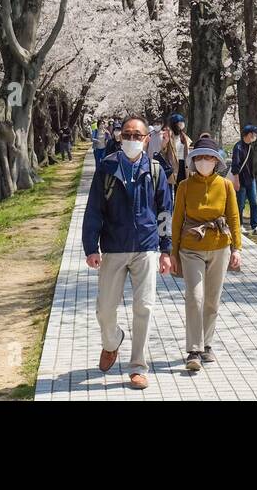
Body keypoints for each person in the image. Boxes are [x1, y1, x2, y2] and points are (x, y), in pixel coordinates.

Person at [82, 115, 173, 391]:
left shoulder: (155, 170)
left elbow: (165, 212)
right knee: (105, 310)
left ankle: (137, 366)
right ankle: (112, 341)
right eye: (128, 135)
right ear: (120, 137)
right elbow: (94, 209)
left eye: (138, 135)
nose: (132, 140)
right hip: (114, 246)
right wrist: (91, 247)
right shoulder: (107, 168)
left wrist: (166, 250)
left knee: (143, 307)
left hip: (145, 247)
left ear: (147, 139)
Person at [170, 133, 241, 372]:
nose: (204, 161)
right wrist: (173, 252)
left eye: (208, 157)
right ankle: (193, 349)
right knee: (195, 297)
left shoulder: (226, 185)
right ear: (193, 160)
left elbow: (233, 217)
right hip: (191, 249)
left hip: (220, 247)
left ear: (216, 161)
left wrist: (237, 248)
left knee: (212, 300)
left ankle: (207, 344)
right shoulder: (184, 187)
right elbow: (177, 219)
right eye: (199, 157)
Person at [230, 124, 257, 234]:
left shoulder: (250, 147)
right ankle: (239, 225)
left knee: (254, 203)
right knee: (240, 204)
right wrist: (236, 181)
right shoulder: (238, 147)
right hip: (241, 180)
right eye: (254, 134)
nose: (255, 136)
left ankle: (255, 226)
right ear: (248, 134)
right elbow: (235, 165)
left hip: (250, 179)